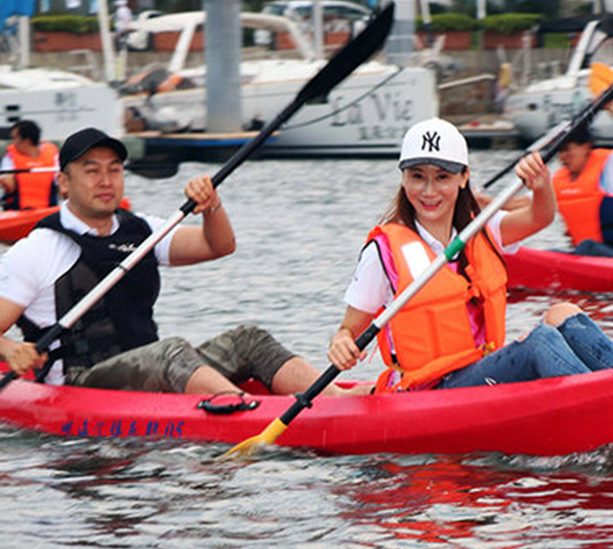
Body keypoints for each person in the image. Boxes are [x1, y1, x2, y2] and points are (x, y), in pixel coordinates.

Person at [0, 126, 360, 398]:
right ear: (64, 183)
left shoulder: (141, 229)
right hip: (82, 384)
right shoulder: (37, 250)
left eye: (114, 170)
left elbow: (217, 245)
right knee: (171, 351)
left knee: (249, 339)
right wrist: (11, 348)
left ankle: (334, 400)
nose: (105, 181)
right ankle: (244, 410)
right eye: (91, 171)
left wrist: (211, 206)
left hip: (155, 367)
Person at [327, 117, 613, 393]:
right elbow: (347, 331)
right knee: (540, 343)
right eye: (417, 176)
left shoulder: (480, 230)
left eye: (442, 177)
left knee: (563, 313)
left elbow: (540, 217)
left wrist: (541, 186)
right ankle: (609, 408)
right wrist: (341, 344)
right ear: (404, 178)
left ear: (463, 178)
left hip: (483, 374)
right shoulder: (383, 252)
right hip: (429, 391)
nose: (429, 191)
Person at [552, 104, 613, 257]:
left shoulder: (610, 165)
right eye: (559, 151)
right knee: (551, 254)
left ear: (586, 147)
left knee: (587, 246)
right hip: (585, 258)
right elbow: (526, 204)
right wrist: (497, 205)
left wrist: (612, 107)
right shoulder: (558, 180)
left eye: (567, 149)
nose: (562, 157)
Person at [0, 120, 59, 210]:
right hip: (18, 212)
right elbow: (9, 186)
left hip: (46, 211)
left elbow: (62, 183)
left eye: (15, 138)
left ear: (26, 141)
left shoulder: (52, 155)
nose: (13, 142)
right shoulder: (10, 157)